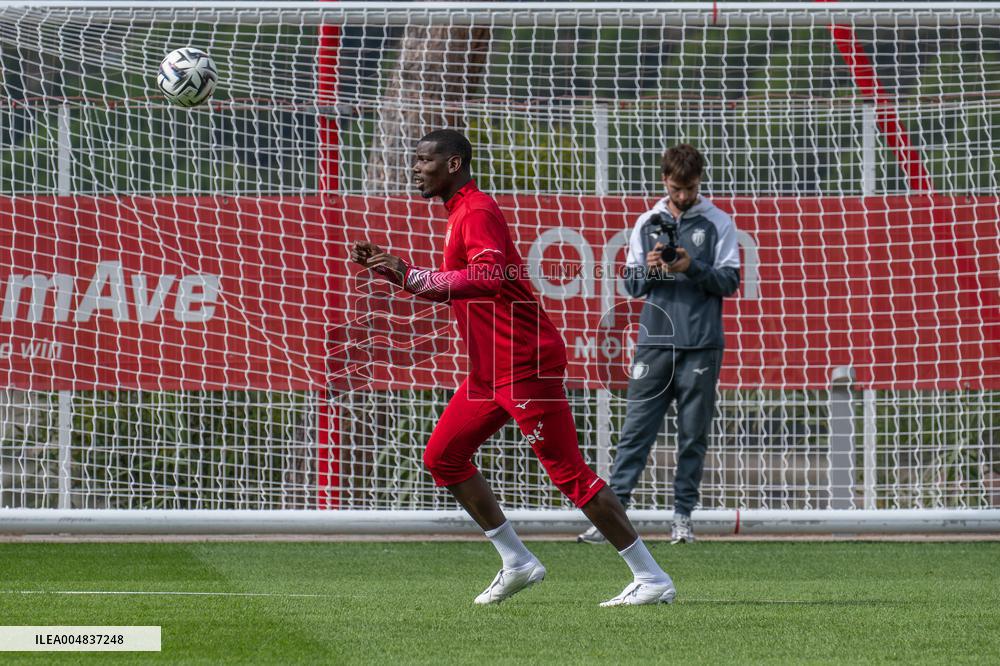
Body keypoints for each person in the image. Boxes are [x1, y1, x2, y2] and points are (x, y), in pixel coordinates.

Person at [351, 129, 674, 606]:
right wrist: (396, 271)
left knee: (569, 473)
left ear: (454, 164)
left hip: (525, 363)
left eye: (424, 160)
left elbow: (485, 277)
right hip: (489, 371)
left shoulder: (477, 209)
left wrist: (410, 275)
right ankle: (518, 561)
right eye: (415, 160)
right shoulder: (459, 211)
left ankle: (651, 577)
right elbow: (461, 282)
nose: (416, 168)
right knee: (443, 457)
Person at [577, 144, 740, 546]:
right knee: (635, 432)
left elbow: (730, 282)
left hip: (701, 344)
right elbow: (632, 286)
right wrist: (651, 270)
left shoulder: (719, 222)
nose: (683, 195)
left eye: (690, 188)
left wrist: (691, 266)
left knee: (692, 434)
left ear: (700, 182)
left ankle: (682, 517)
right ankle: (612, 518)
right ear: (664, 180)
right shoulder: (646, 222)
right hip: (654, 342)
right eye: (676, 187)